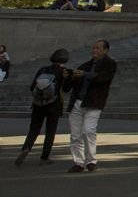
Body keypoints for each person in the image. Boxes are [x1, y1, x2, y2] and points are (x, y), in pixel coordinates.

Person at [66, 38, 116, 171]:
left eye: (98, 48)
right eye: (94, 48)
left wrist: (85, 75)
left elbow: (103, 78)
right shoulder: (85, 65)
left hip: (94, 102)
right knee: (75, 134)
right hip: (77, 102)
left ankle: (91, 160)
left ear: (105, 50)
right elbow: (70, 85)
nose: (95, 50)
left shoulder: (110, 64)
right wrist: (71, 76)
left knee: (88, 131)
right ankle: (78, 162)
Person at [15, 48, 69, 165]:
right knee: (50, 131)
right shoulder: (63, 71)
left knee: (34, 128)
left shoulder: (43, 69)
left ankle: (26, 148)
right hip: (54, 105)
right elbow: (65, 88)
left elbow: (32, 87)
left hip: (38, 104)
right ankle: (45, 157)